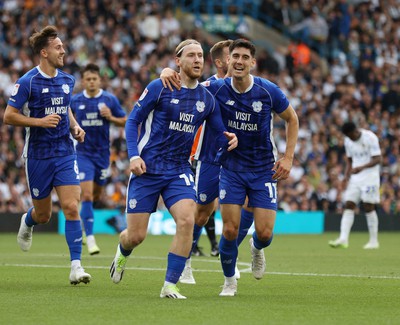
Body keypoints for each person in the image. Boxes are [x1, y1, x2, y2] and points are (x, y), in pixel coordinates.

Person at [162, 39, 299, 296]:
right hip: (231, 168)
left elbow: (292, 118)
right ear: (228, 61)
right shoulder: (215, 88)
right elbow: (187, 86)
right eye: (235, 56)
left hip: (262, 169)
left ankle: (256, 248)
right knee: (228, 229)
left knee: (266, 233)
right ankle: (229, 282)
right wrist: (168, 71)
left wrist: (288, 157)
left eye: (244, 57)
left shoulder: (268, 90)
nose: (238, 61)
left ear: (252, 62)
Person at [109, 39, 238, 299]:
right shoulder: (160, 86)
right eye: (191, 55)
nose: (197, 60)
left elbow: (218, 130)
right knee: (135, 236)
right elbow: (133, 119)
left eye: (200, 55)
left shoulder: (206, 98)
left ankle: (170, 285)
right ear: (177, 61)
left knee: (187, 220)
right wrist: (133, 156)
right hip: (147, 168)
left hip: (179, 170)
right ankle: (122, 253)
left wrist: (230, 138)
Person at [3, 25, 91, 285]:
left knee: (72, 207)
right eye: (58, 47)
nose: (63, 50)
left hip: (64, 152)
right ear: (44, 52)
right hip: (38, 156)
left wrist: (74, 125)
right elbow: (9, 116)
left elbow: (66, 108)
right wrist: (39, 122)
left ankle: (76, 266)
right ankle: (27, 221)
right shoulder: (27, 82)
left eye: (62, 46)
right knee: (44, 215)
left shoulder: (67, 80)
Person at [70, 63, 127, 255]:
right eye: (88, 79)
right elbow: (67, 121)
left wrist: (110, 117)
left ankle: (85, 221)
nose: (91, 82)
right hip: (83, 153)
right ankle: (91, 238)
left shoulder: (109, 99)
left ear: (99, 80)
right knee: (86, 195)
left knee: (94, 195)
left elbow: (125, 120)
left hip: (103, 155)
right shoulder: (76, 101)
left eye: (94, 78)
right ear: (83, 81)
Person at [329, 121, 381, 249]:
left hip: (370, 176)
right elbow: (350, 160)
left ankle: (374, 241)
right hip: (356, 177)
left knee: (368, 206)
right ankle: (343, 239)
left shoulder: (370, 137)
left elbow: (378, 159)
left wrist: (361, 168)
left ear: (355, 130)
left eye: (350, 135)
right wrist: (346, 177)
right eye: (347, 136)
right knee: (349, 204)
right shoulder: (348, 141)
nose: (349, 138)